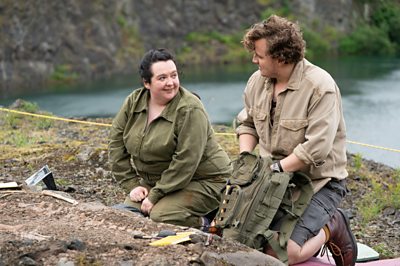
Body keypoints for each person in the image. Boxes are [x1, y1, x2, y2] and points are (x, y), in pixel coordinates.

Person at [235, 15, 357, 265]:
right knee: (245, 241)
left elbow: (317, 149)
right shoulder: (256, 81)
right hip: (273, 180)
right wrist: (246, 159)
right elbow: (247, 123)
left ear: (280, 58)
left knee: (287, 253)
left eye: (259, 55)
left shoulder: (320, 86)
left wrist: (277, 168)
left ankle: (334, 225)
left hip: (319, 183)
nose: (253, 60)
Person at [109, 48, 232, 230]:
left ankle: (208, 225)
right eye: (162, 78)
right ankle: (173, 205)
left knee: (161, 216)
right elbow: (116, 144)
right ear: (146, 83)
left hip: (206, 180)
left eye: (173, 76)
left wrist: (155, 195)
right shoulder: (134, 101)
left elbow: (186, 161)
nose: (171, 83)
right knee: (126, 215)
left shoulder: (190, 109)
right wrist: (132, 185)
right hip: (160, 181)